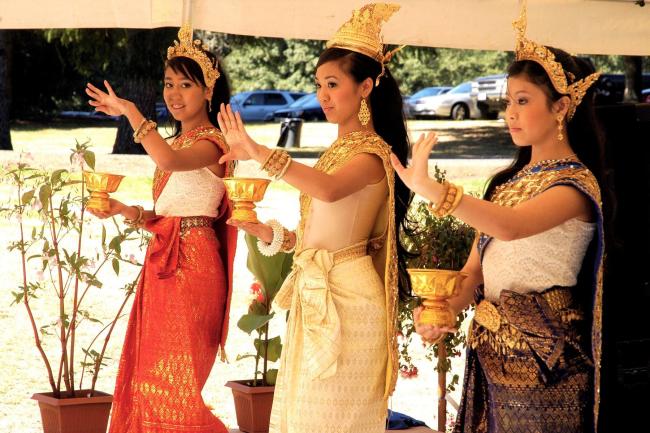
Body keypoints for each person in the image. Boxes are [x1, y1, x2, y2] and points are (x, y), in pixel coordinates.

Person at [391, 4, 607, 432]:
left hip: (548, 360)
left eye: (523, 101)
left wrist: (433, 190)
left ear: (561, 107)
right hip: (491, 352)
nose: (510, 112)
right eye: (509, 101)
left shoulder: (576, 186)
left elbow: (509, 226)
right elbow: (474, 272)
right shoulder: (506, 184)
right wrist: (443, 308)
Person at [216, 4, 412, 432]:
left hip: (350, 300)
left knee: (333, 420)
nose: (323, 95)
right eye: (319, 84)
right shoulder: (336, 152)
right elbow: (316, 232)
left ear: (366, 87)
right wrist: (269, 233)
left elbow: (327, 190)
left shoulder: (372, 154)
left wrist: (257, 151)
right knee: (304, 417)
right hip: (316, 293)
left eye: (333, 84)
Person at [85, 25, 236, 433]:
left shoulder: (214, 144)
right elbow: (169, 211)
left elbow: (168, 162)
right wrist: (123, 209)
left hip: (195, 264)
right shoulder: (180, 141)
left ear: (208, 91)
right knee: (150, 373)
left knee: (180, 381)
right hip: (163, 260)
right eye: (168, 83)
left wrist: (132, 112)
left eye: (185, 84)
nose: (174, 93)